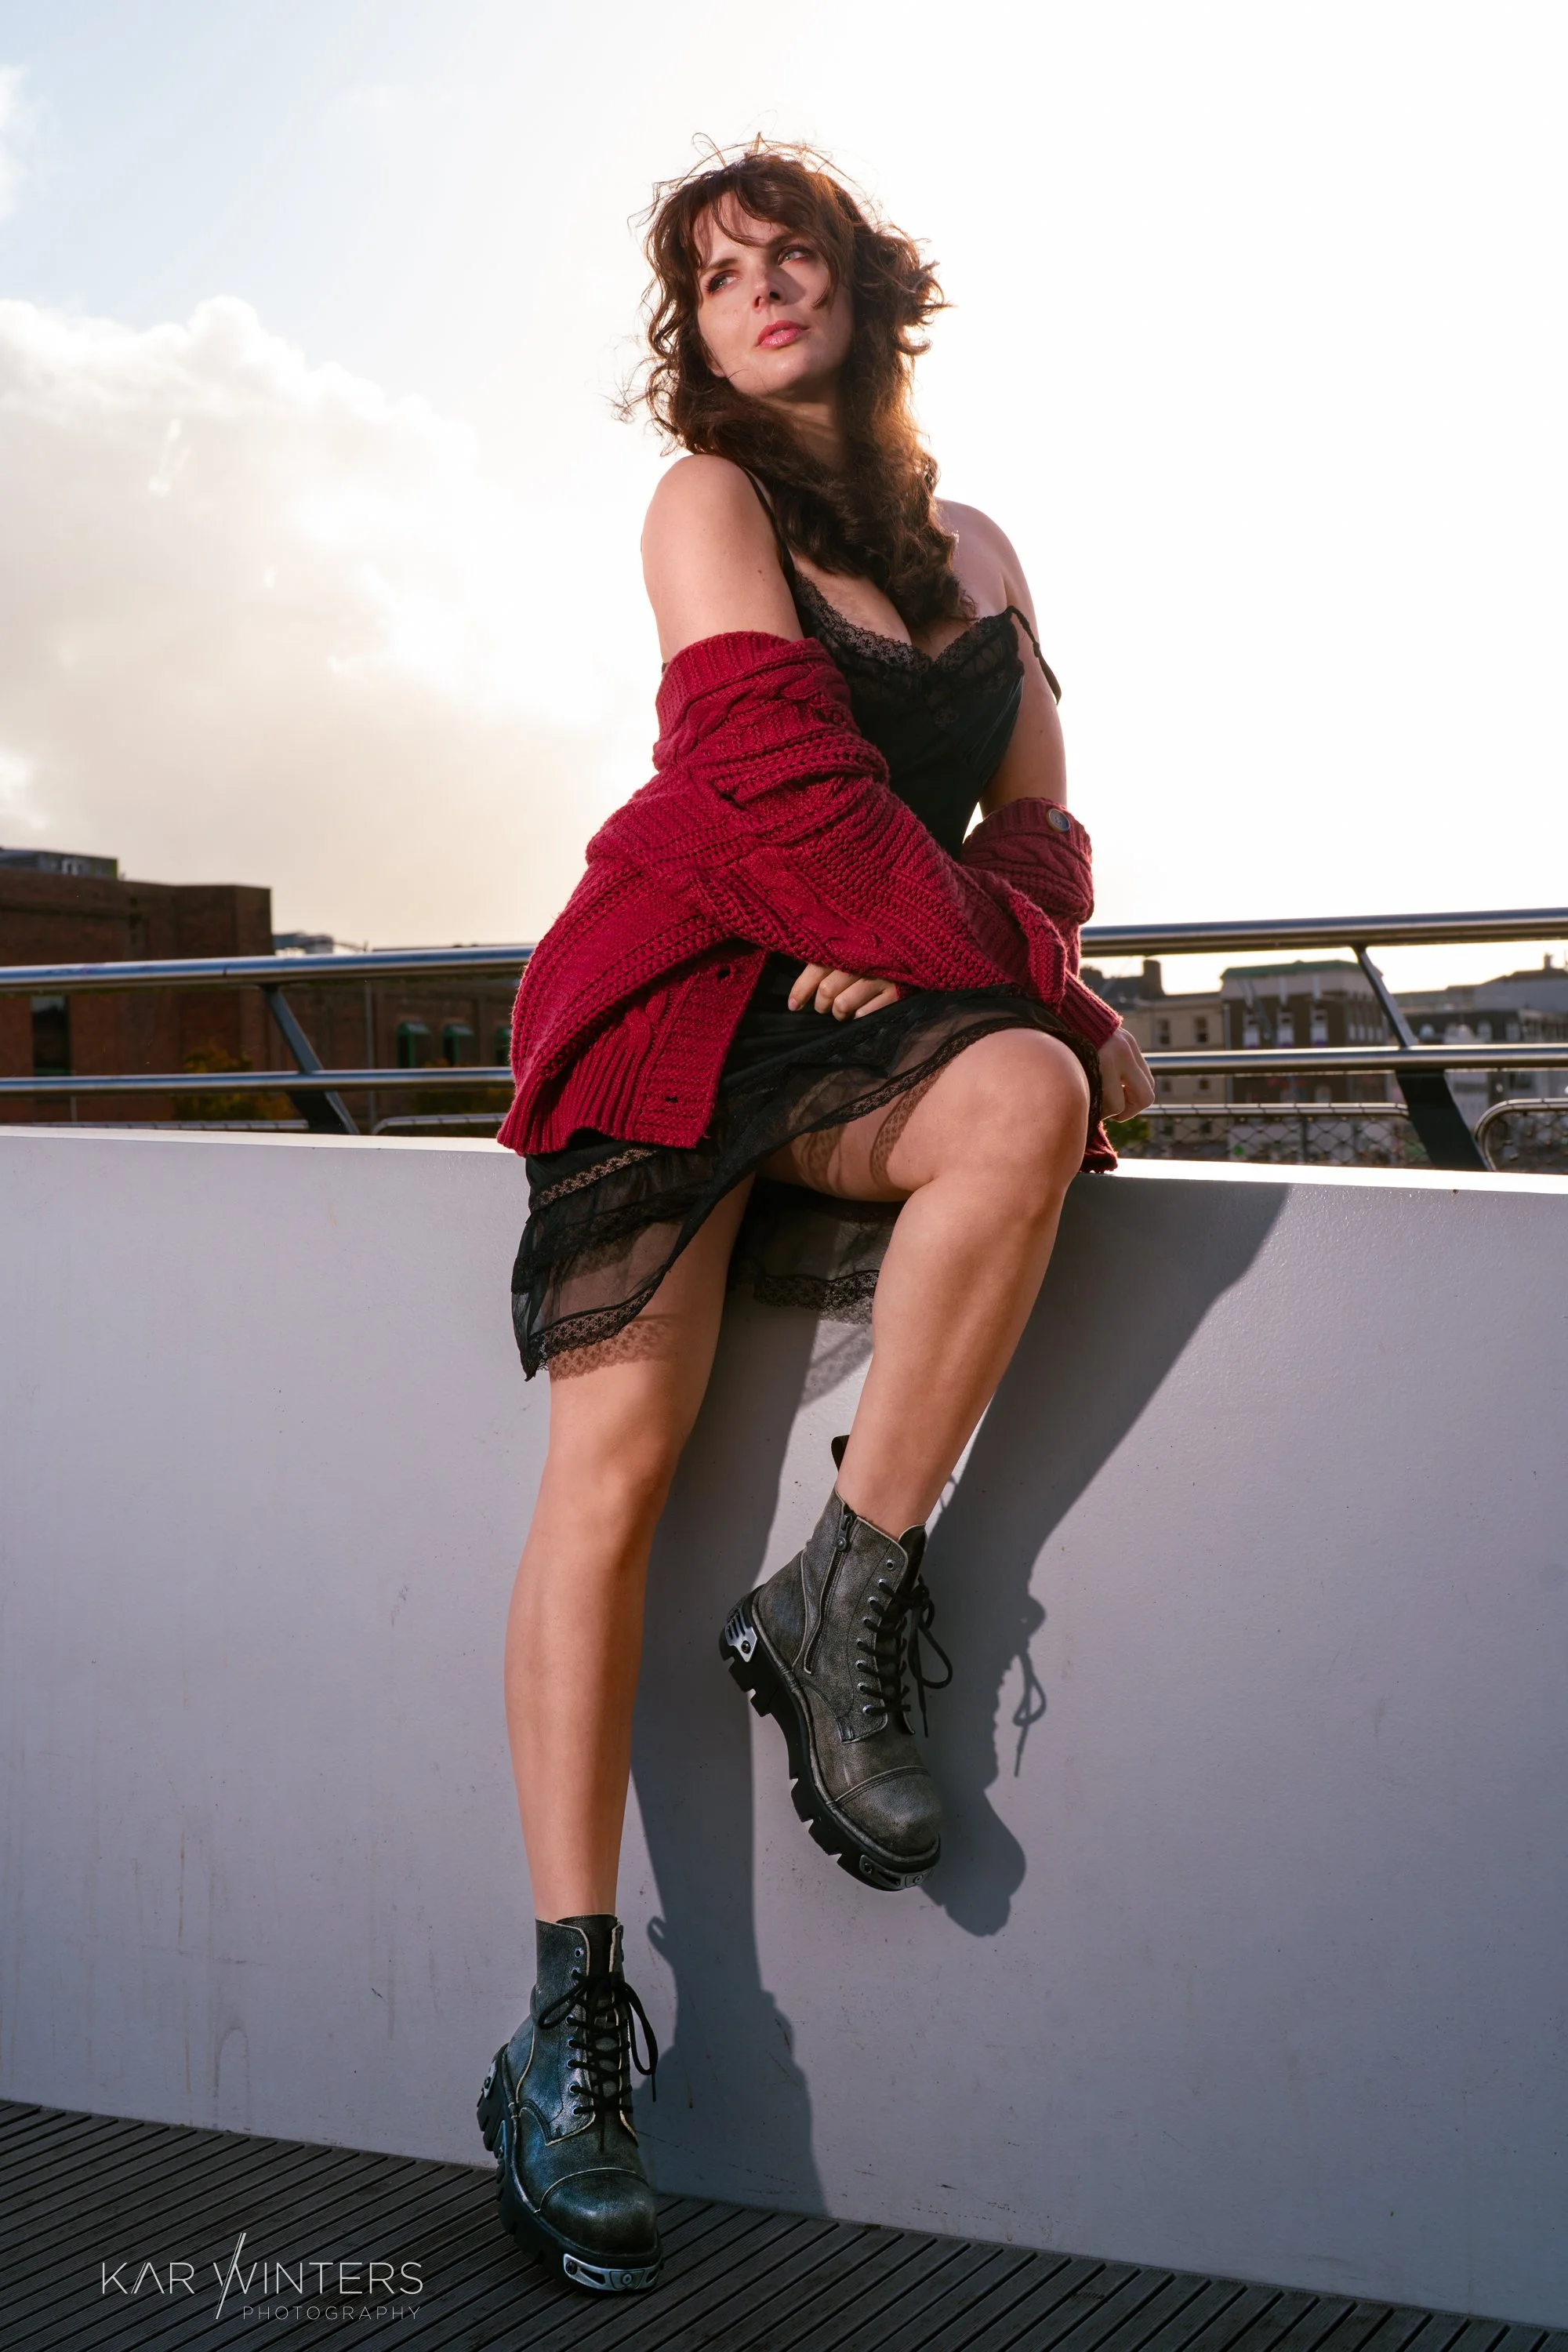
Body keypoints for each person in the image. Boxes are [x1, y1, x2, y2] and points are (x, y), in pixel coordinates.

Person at [475, 141, 1156, 2296]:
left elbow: (1039, 837)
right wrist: (1011, 963)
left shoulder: (977, 546)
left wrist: (999, 969)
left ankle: (840, 1594)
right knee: (612, 1475)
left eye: (796, 257)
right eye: (720, 274)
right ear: (695, 329)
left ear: (866, 289)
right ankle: (572, 2023)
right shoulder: (707, 503)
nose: (763, 290)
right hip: (681, 1000)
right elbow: (783, 804)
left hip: (870, 1008)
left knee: (1026, 1097)